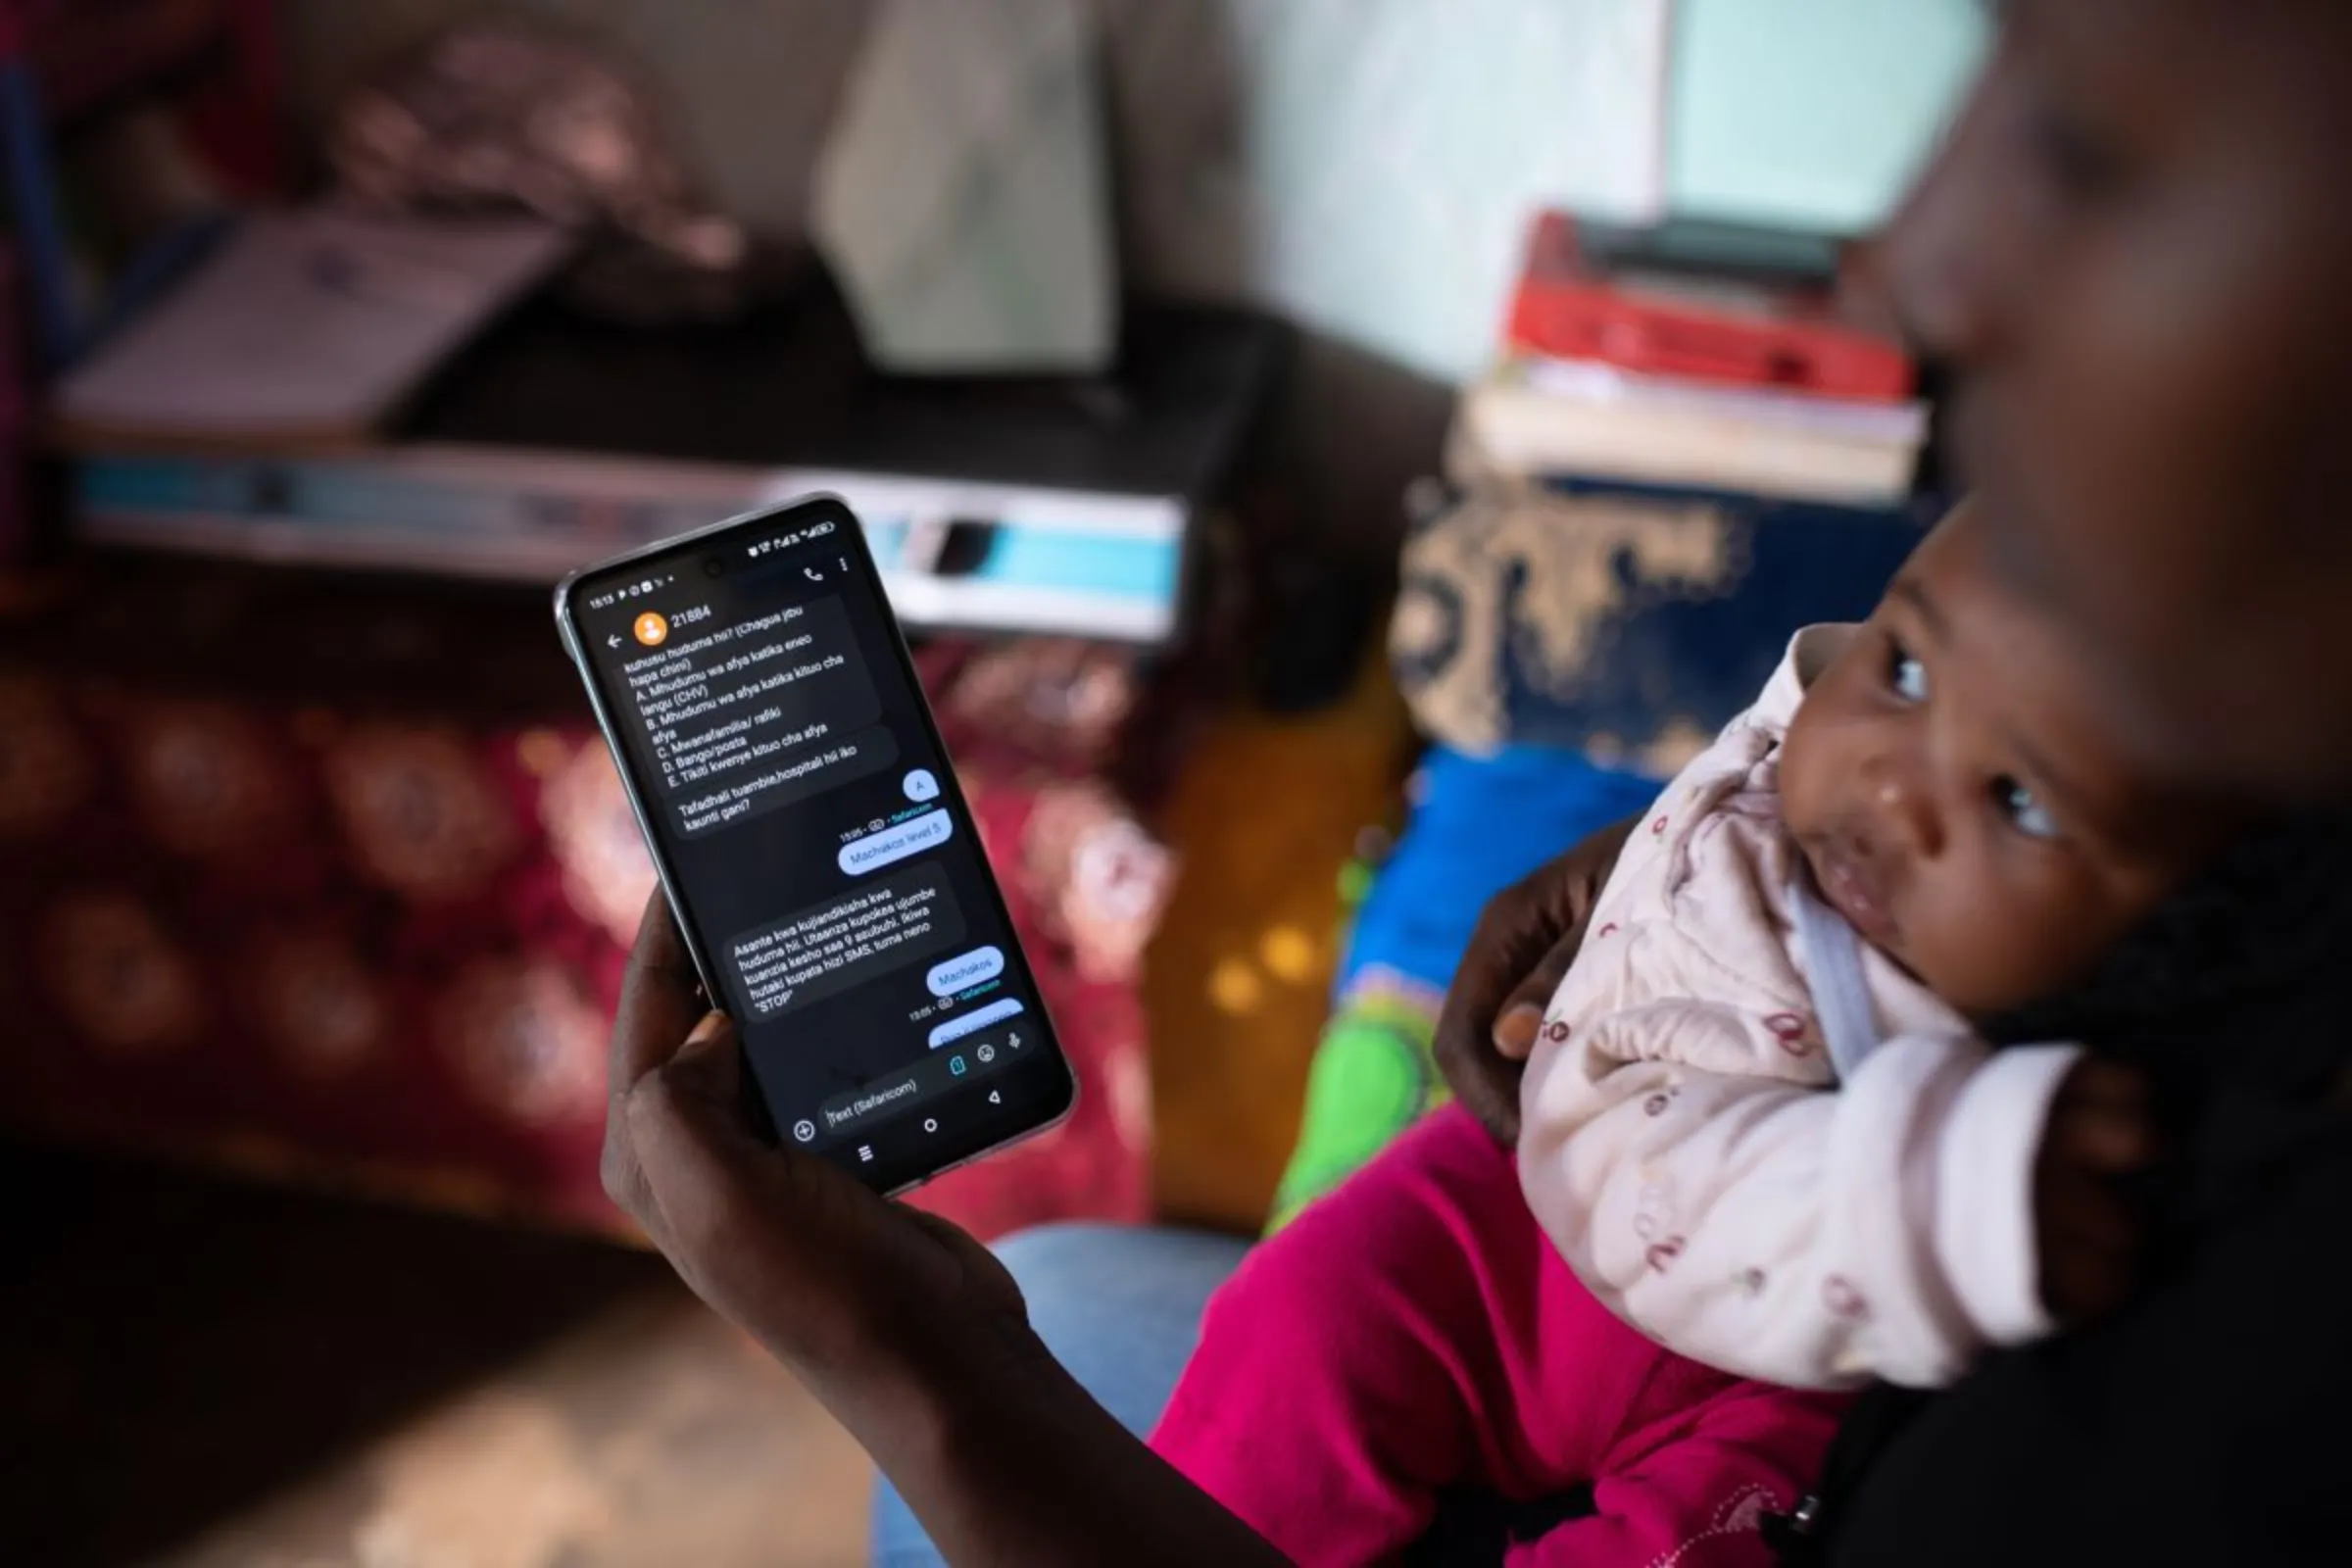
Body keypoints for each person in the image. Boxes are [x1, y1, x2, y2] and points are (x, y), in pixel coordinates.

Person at [598, 3, 2352, 1563]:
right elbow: (1839, 729)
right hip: (1537, 1227)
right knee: (1164, 1305)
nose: (1907, 258)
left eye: (2083, 150)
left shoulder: (2216, 1385)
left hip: (1792, 1383)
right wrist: (1672, 866)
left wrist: (920, 1379)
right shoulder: (2191, 756)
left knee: (986, 1411)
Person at [1143, 502, 2237, 1565]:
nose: (1895, 792)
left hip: (1798, 1348)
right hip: (1528, 1207)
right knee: (1297, 1312)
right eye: (1904, 671)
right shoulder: (1807, 770)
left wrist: (1970, 1178)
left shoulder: (2067, 1058)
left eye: (2021, 800)